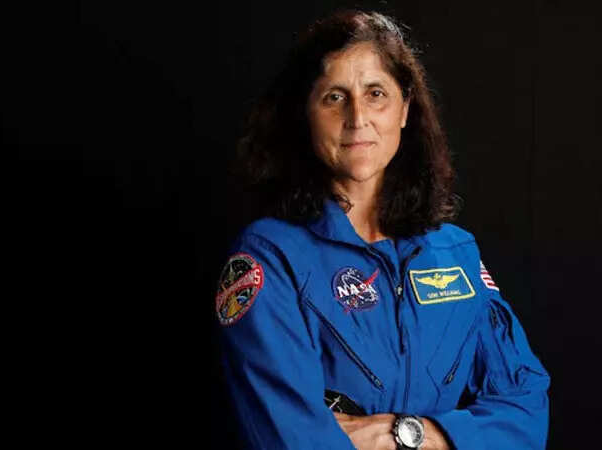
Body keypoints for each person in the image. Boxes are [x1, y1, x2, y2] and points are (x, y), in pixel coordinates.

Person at [215, 9, 550, 450]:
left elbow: (526, 411)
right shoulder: (269, 260)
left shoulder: (455, 253)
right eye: (334, 97)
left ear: (404, 108)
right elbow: (290, 439)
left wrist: (411, 434)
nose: (357, 118)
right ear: (304, 114)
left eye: (376, 94)